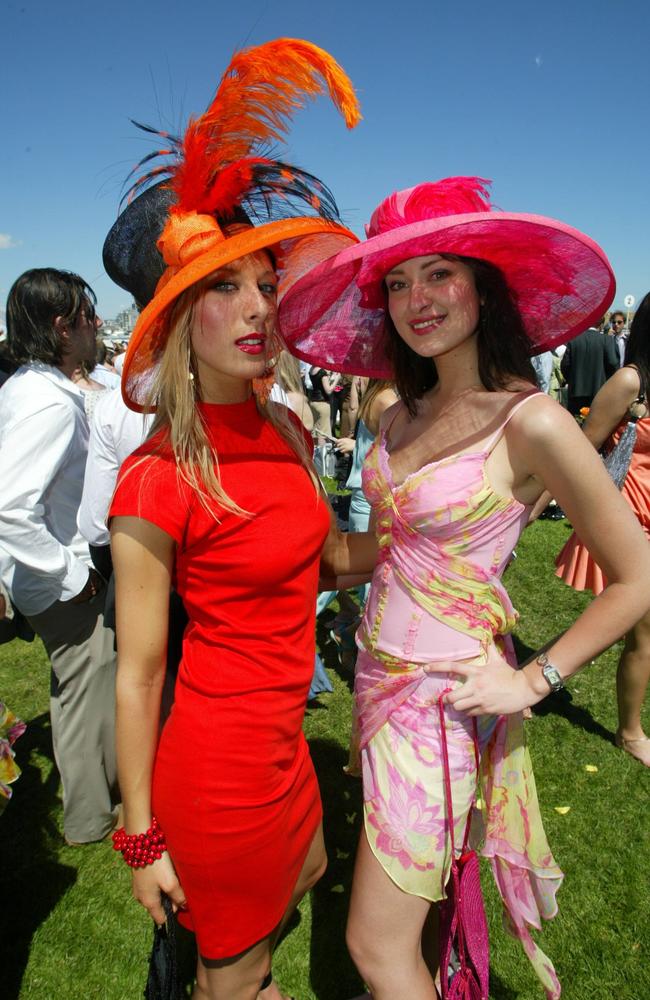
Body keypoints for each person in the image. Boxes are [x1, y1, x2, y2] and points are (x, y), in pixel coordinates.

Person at [280, 176, 650, 1000]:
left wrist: (530, 680)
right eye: (399, 283)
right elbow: (381, 550)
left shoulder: (534, 422)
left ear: (484, 286)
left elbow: (639, 577)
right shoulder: (394, 416)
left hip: (444, 708)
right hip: (375, 685)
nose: (418, 299)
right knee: (413, 919)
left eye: (439, 273)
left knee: (376, 948)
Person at [105, 39, 364, 1000]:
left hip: (287, 749)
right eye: (223, 287)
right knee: (239, 980)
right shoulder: (156, 477)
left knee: (295, 897)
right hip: (218, 776)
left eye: (263, 283)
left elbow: (322, 558)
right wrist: (140, 838)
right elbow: (136, 674)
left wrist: (433, 534)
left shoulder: (288, 432)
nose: (257, 306)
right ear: (177, 319)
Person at [0, 268, 118, 845]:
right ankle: (89, 819)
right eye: (88, 317)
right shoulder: (47, 402)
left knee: (85, 686)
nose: (97, 327)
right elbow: (10, 506)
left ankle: (99, 798)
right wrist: (72, 573)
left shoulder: (36, 386)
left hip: (51, 573)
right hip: (61, 578)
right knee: (80, 694)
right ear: (61, 327)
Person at [556, 292, 650, 766]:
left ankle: (534, 677)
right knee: (641, 626)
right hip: (628, 512)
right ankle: (630, 733)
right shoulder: (631, 380)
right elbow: (584, 446)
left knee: (620, 623)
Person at [560, 316, 619, 413]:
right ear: (601, 325)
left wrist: (572, 380)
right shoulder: (606, 340)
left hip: (576, 392)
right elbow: (613, 363)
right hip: (599, 392)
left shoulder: (573, 340)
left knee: (576, 423)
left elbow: (565, 365)